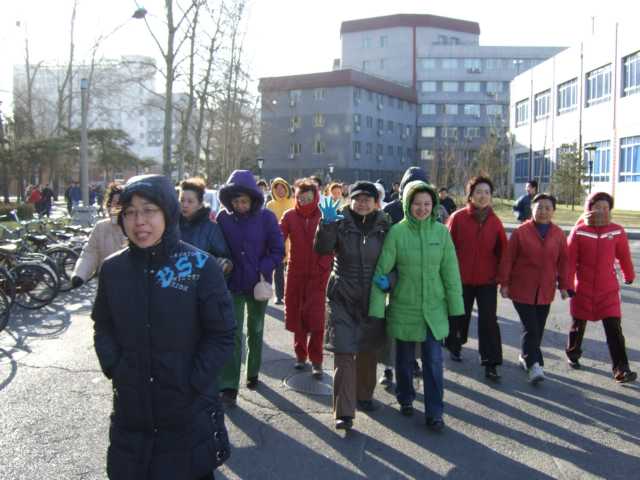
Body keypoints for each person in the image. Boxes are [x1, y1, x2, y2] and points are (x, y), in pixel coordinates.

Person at [92, 174, 236, 480]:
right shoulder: (113, 269)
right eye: (130, 212)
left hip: (187, 412)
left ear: (168, 212)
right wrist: (115, 366)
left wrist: (193, 381)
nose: (139, 221)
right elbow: (102, 325)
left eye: (149, 210)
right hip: (132, 411)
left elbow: (222, 334)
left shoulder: (199, 266)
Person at [370, 180, 463, 431]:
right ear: (408, 205)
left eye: (427, 204)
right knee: (404, 360)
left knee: (433, 361)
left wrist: (456, 310)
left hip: (434, 309)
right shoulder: (397, 233)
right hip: (404, 307)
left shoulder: (441, 233)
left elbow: (451, 274)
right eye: (417, 204)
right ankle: (405, 396)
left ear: (434, 205)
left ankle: (435, 412)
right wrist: (377, 310)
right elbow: (382, 271)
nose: (422, 208)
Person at [314, 181, 390, 430]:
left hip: (373, 296)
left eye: (368, 199)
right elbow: (322, 248)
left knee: (368, 351)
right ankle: (344, 412)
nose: (362, 203)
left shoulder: (385, 226)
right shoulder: (340, 221)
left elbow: (397, 260)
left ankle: (364, 396)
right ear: (351, 200)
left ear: (376, 202)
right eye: (358, 198)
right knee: (344, 352)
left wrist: (391, 280)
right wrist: (326, 224)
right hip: (342, 296)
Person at [217, 170, 285, 406]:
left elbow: (278, 250)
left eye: (244, 201)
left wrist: (262, 268)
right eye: (235, 201)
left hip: (259, 284)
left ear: (253, 199)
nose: (240, 205)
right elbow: (218, 248)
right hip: (233, 283)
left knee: (255, 329)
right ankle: (229, 385)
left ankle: (253, 372)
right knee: (233, 333)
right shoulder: (223, 219)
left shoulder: (266, 218)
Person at [565, 192, 636, 383]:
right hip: (583, 289)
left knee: (614, 330)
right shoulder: (579, 231)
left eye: (606, 208)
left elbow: (624, 256)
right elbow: (569, 261)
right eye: (598, 207)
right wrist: (567, 284)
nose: (602, 211)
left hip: (608, 291)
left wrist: (629, 275)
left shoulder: (617, 231)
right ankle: (573, 353)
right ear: (589, 208)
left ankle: (621, 369)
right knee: (577, 326)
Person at [498, 193, 570, 383]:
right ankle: (534, 365)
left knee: (537, 329)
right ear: (532, 209)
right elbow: (508, 259)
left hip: (545, 291)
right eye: (539, 207)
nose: (543, 211)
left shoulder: (558, 234)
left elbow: (564, 262)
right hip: (521, 289)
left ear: (553, 211)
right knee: (532, 329)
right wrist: (504, 283)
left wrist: (564, 285)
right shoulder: (521, 232)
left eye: (548, 208)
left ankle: (525, 355)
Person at [445, 176, 508, 380]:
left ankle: (491, 362)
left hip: (487, 281)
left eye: (487, 192)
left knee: (489, 321)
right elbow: (446, 249)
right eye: (478, 192)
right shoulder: (457, 218)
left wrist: (503, 280)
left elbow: (504, 254)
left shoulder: (495, 222)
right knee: (458, 316)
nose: (483, 196)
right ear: (470, 195)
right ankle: (455, 344)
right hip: (460, 280)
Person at [280, 179, 333, 378]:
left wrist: (325, 264)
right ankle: (300, 356)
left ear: (315, 196)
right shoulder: (290, 215)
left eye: (308, 196)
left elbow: (334, 241)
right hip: (296, 273)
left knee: (317, 319)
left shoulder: (324, 215)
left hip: (319, 275)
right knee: (298, 314)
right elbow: (278, 237)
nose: (304, 200)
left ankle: (317, 360)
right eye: (301, 197)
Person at [380, 166, 429, 384]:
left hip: (419, 274)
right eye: (410, 186)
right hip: (393, 273)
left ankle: (413, 360)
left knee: (416, 320)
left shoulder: (430, 208)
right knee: (391, 322)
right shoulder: (391, 210)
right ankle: (388, 367)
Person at [71, 183, 127, 287]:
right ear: (109, 204)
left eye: (123, 203)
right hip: (107, 285)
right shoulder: (101, 227)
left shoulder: (137, 227)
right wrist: (79, 274)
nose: (118, 207)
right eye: (115, 203)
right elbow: (90, 253)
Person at [179, 177, 232, 274]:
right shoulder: (171, 225)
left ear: (200, 204)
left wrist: (224, 264)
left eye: (190, 201)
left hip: (201, 281)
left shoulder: (211, 228)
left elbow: (225, 260)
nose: (184, 205)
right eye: (182, 200)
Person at [266, 177, 295, 305]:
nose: (280, 190)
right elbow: (267, 223)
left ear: (286, 188)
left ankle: (292, 295)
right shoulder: (270, 205)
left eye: (282, 188)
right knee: (278, 270)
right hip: (276, 241)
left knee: (292, 271)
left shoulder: (294, 202)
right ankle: (279, 295)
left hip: (293, 241)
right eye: (276, 188)